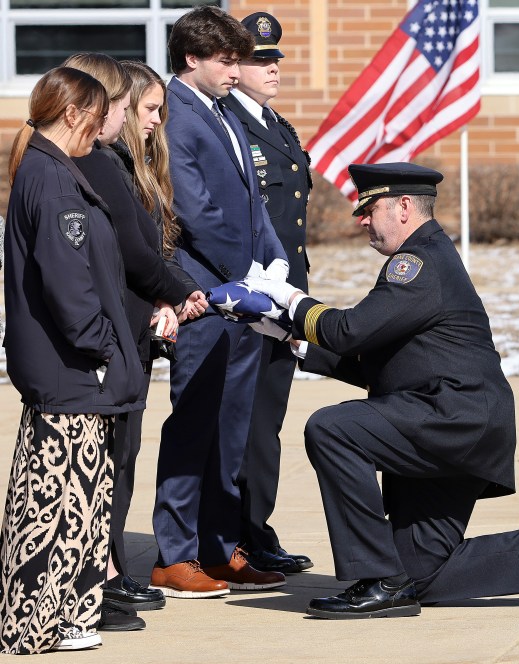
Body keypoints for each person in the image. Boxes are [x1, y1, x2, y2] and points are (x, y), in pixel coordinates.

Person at [245, 162, 519, 619]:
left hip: (450, 418)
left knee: (332, 428)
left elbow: (350, 332)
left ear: (402, 207)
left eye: (369, 208)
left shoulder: (416, 263)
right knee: (419, 574)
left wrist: (291, 299)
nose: (362, 221)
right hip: (458, 422)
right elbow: (384, 366)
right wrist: (291, 340)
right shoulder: (427, 256)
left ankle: (377, 578)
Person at [0, 66, 145, 653]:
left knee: (82, 498)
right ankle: (32, 621)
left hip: (76, 369)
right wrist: (104, 348)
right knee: (51, 502)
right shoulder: (55, 183)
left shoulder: (48, 170)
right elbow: (70, 287)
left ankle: (65, 614)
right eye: (99, 115)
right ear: (74, 115)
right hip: (73, 370)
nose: (105, 127)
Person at [150, 5, 289, 598]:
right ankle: (174, 554)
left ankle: (219, 545)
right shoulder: (175, 117)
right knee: (195, 423)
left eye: (240, 60)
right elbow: (194, 209)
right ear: (192, 59)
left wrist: (274, 261)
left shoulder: (226, 111)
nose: (238, 70)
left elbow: (255, 201)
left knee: (232, 427)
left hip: (245, 296)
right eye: (227, 60)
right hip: (205, 295)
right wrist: (248, 273)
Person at [65, 53, 207, 627]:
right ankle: (101, 573)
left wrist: (164, 296)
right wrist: (177, 293)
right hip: (112, 332)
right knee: (106, 461)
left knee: (119, 459)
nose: (145, 120)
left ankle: (109, 566)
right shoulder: (100, 163)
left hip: (133, 325)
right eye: (135, 107)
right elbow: (130, 247)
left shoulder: (111, 161)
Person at [224, 11, 313, 575]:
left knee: (266, 422)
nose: (273, 68)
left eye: (275, 57)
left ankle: (255, 527)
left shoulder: (276, 125)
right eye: (261, 59)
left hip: (283, 299)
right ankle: (230, 533)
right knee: (239, 422)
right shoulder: (225, 123)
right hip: (247, 302)